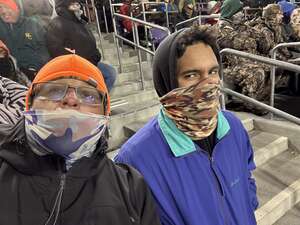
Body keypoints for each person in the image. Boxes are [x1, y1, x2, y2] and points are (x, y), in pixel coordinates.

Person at [115, 25, 258, 225]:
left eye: (213, 71)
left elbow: (246, 178)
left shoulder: (232, 126)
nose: (208, 84)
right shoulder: (136, 158)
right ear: (167, 82)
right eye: (191, 75)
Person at [0, 53, 161, 225]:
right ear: (30, 103)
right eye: (54, 90)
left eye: (89, 95)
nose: (71, 99)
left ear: (105, 114)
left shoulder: (131, 186)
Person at [46, 0, 116, 91]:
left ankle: (97, 99)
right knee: (101, 77)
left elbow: (90, 42)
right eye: (73, 4)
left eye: (78, 4)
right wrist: (75, 57)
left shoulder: (81, 22)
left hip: (90, 62)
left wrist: (96, 53)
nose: (78, 6)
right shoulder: (57, 23)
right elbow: (54, 47)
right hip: (76, 66)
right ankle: (90, 98)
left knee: (110, 73)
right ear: (64, 6)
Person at [0, 0, 50, 81]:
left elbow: (43, 50)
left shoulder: (32, 25)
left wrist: (34, 68)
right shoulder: (1, 28)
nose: (3, 11)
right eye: (0, 8)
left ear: (18, 9)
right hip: (10, 76)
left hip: (35, 73)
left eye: (7, 7)